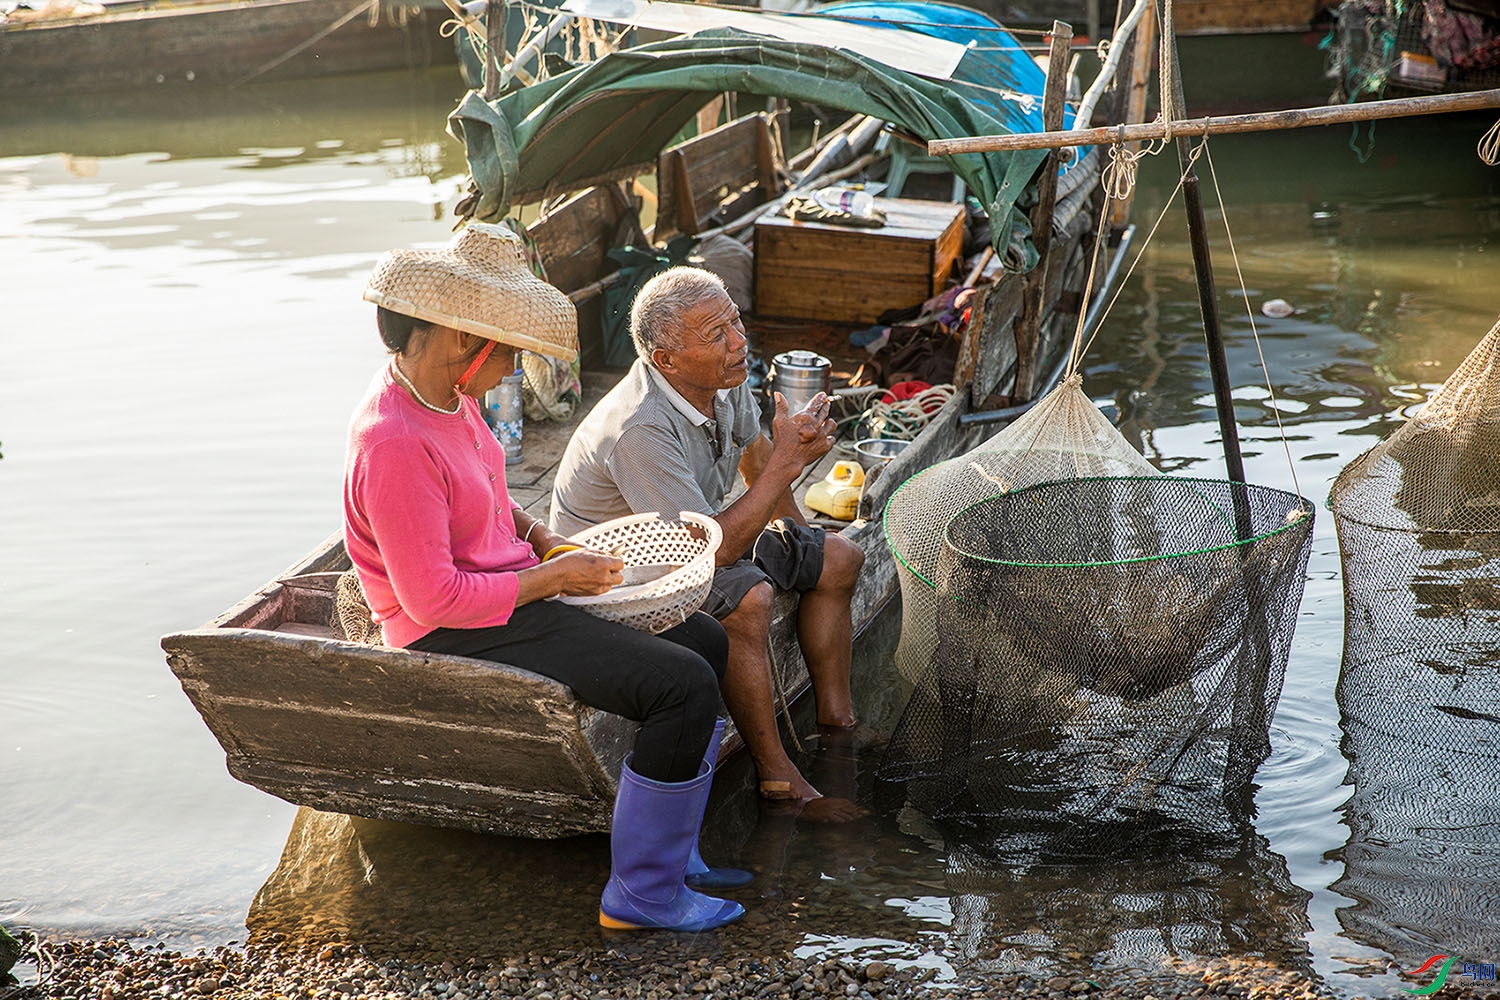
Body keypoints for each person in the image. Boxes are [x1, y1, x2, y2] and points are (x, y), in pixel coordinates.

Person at [344, 224, 746, 932]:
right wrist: (555, 582)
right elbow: (433, 599)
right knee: (678, 686)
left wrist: (548, 543)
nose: (513, 369)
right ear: (465, 342)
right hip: (452, 629)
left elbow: (499, 508)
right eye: (510, 353)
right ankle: (641, 895)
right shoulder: (394, 442)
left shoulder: (452, 401)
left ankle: (674, 851)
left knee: (703, 639)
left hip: (507, 598)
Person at [550, 265, 867, 805]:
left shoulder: (723, 378)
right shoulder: (640, 429)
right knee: (750, 599)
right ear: (666, 359)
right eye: (716, 335)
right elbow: (709, 555)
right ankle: (776, 770)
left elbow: (755, 455)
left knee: (838, 558)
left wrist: (796, 534)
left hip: (698, 536)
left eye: (735, 323)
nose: (739, 343)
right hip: (624, 580)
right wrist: (788, 465)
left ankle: (838, 723)